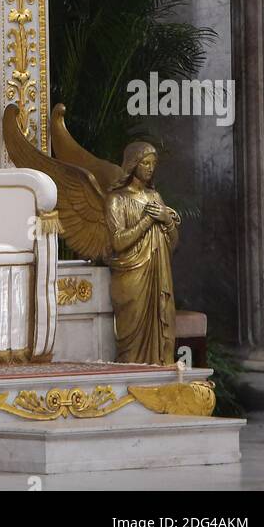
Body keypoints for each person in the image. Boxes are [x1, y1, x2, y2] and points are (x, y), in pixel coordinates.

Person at [105, 142, 180, 364]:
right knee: (131, 333)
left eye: (153, 164)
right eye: (145, 163)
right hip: (132, 277)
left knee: (163, 318)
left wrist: (167, 220)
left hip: (159, 272)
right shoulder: (116, 200)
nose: (149, 168)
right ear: (132, 164)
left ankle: (160, 370)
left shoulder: (155, 197)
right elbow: (118, 242)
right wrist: (148, 220)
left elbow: (173, 244)